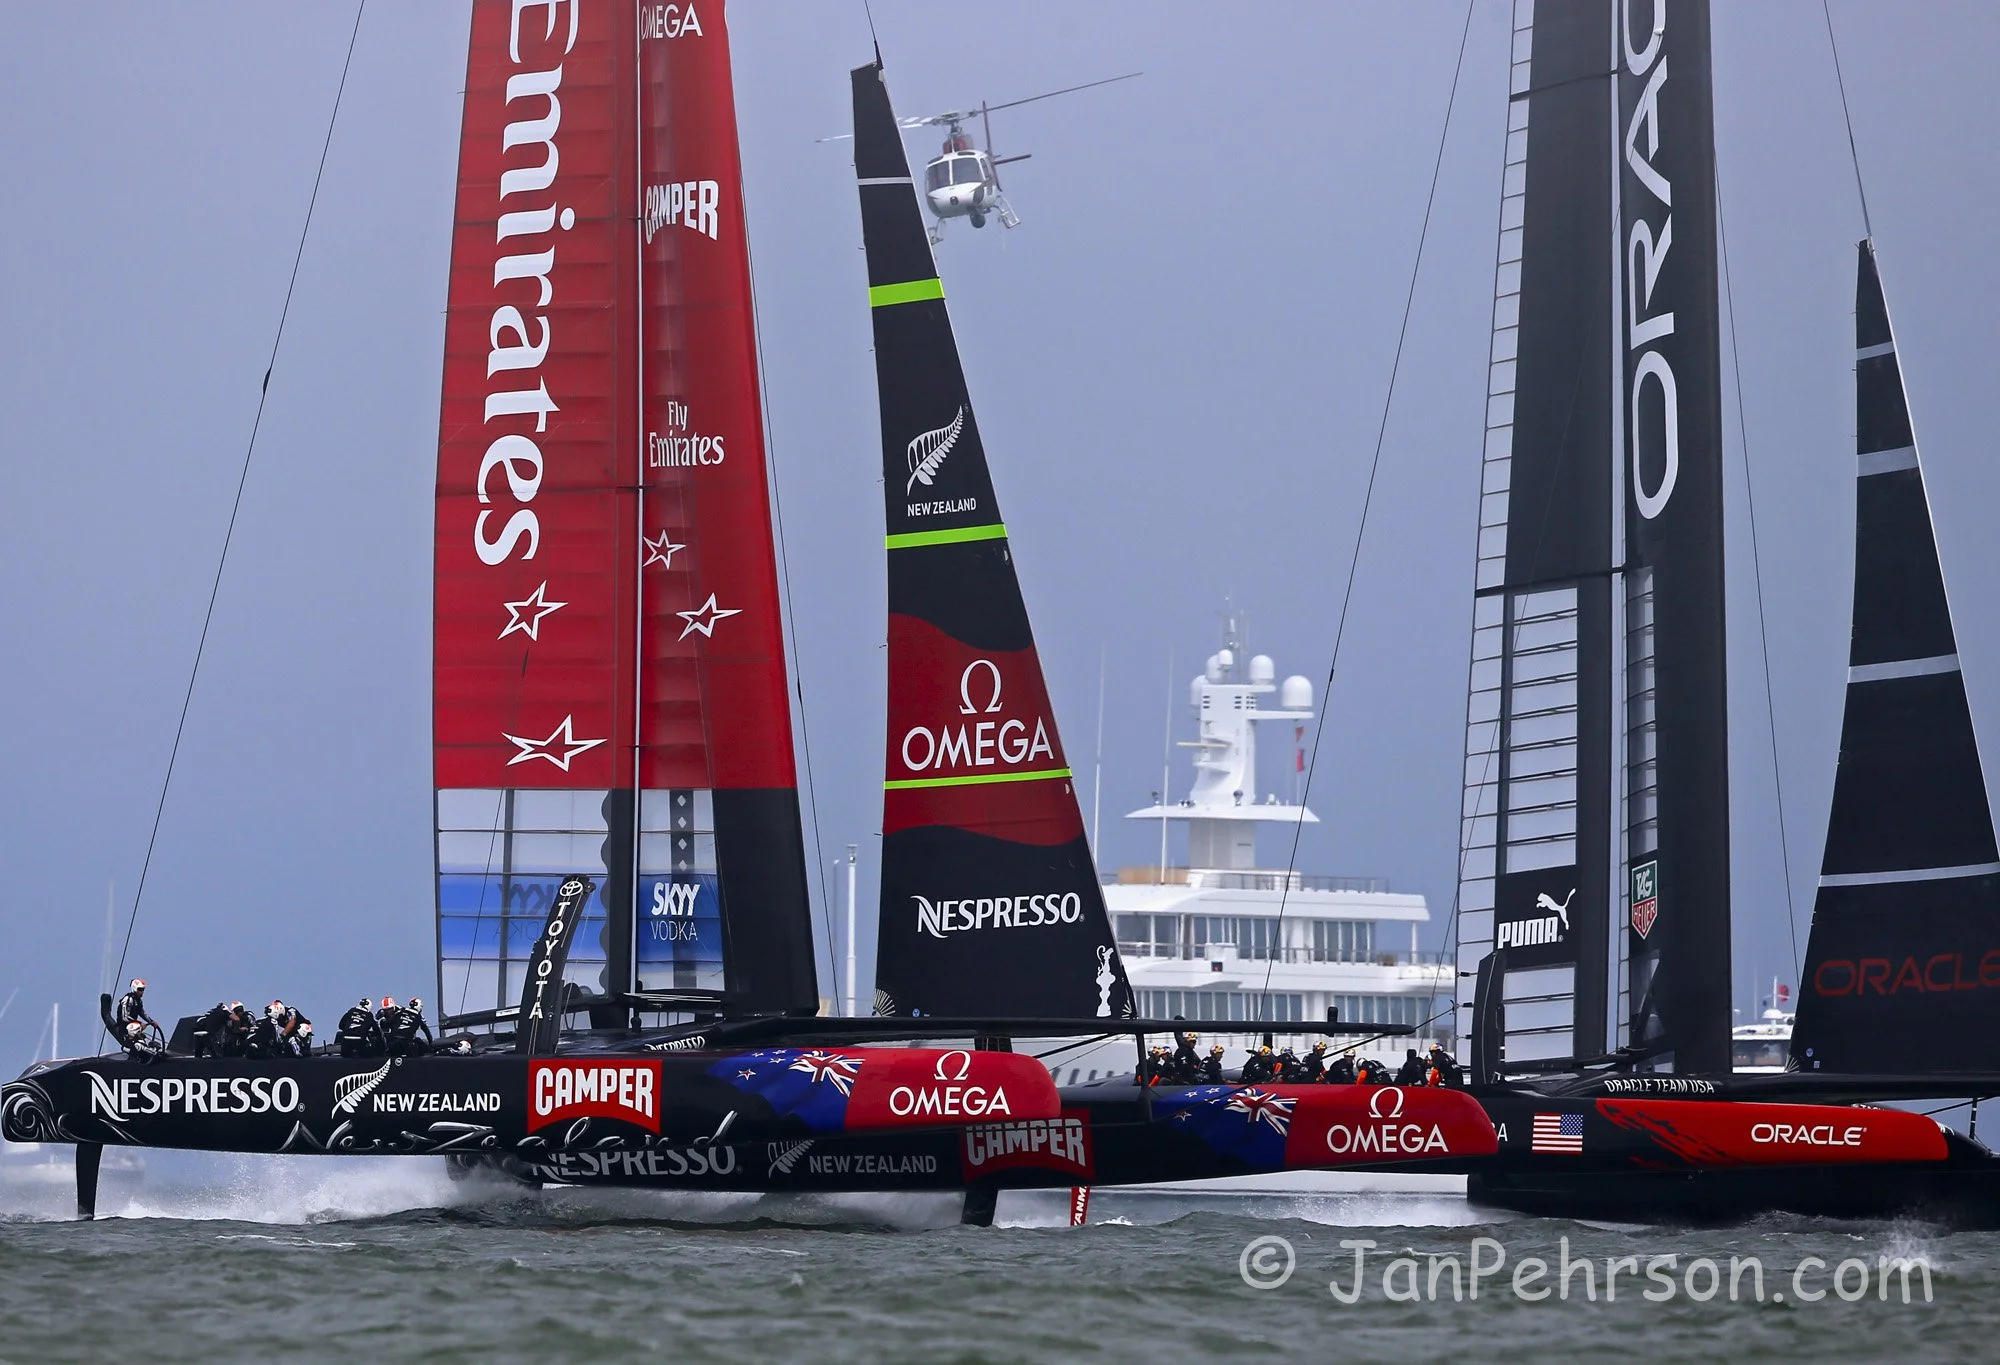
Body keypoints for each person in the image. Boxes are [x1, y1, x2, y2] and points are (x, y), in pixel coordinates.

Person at [112, 979, 162, 1058]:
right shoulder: (128, 999)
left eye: (143, 990)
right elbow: (125, 1017)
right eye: (140, 989)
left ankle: (145, 1052)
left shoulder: (138, 1001)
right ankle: (133, 1049)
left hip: (133, 1026)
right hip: (124, 1028)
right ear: (134, 989)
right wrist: (139, 1023)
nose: (142, 992)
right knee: (137, 1041)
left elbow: (142, 1013)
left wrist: (152, 1022)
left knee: (142, 1038)